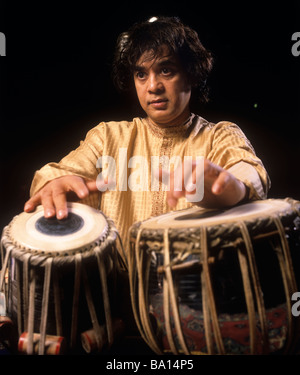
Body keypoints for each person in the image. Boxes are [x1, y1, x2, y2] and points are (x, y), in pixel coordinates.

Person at [24, 16, 270, 254]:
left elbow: (248, 173)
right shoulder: (107, 137)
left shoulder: (219, 136)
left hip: (195, 290)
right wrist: (53, 182)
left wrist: (231, 187)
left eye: (166, 70)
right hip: (114, 290)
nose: (153, 86)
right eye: (141, 74)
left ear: (191, 75)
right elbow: (58, 173)